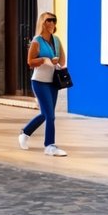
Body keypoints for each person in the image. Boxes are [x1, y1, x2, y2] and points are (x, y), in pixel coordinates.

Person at [19, 12, 68, 157]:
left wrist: (57, 59)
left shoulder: (56, 40)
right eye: (49, 20)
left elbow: (62, 62)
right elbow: (30, 62)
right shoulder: (37, 41)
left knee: (45, 114)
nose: (52, 23)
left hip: (53, 82)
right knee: (50, 116)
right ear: (42, 23)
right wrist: (45, 60)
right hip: (39, 82)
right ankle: (49, 146)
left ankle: (25, 132)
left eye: (54, 20)